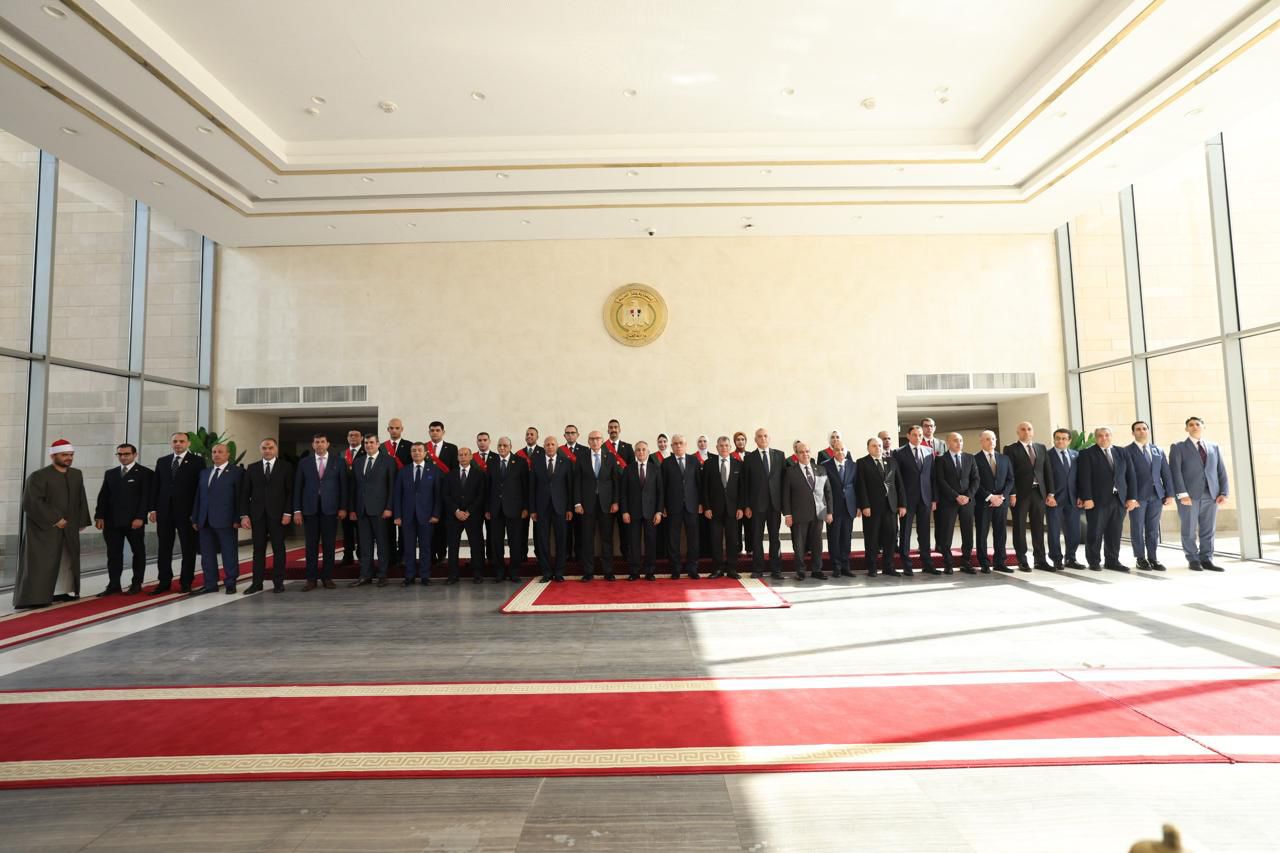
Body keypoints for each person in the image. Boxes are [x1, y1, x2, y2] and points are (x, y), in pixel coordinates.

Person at [14, 439, 91, 608]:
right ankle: (36, 598)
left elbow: (81, 498)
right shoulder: (38, 476)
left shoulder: (76, 474)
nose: (68, 458)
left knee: (67, 560)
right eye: (64, 455)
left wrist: (82, 520)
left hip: (70, 526)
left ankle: (61, 592)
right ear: (53, 456)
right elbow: (32, 502)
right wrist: (55, 519)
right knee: (42, 562)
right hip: (44, 530)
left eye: (71, 455)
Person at [1169, 416, 1229, 572]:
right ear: (1186, 429)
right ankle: (1193, 559)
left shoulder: (1214, 447)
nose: (1194, 426)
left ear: (1203, 427)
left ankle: (1207, 559)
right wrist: (1182, 494)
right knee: (1189, 530)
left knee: (1208, 530)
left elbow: (1221, 471)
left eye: (1197, 424)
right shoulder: (1178, 447)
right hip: (1188, 496)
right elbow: (1175, 472)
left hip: (1212, 495)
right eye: (1191, 425)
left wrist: (1224, 492)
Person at [148, 431, 205, 594]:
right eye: (175, 441)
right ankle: (164, 582)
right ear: (171, 443)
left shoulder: (197, 461)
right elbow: (156, 486)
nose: (178, 444)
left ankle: (186, 582)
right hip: (164, 512)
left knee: (188, 548)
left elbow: (200, 489)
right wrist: (153, 509)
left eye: (181, 441)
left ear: (188, 444)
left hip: (187, 513)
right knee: (164, 548)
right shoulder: (163, 461)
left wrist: (196, 512)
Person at [93, 442, 152, 595]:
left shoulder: (145, 473)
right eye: (120, 454)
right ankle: (114, 585)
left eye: (126, 454)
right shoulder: (111, 473)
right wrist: (99, 516)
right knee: (113, 554)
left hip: (134, 521)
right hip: (111, 521)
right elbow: (103, 496)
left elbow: (146, 497)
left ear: (135, 455)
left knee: (138, 552)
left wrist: (140, 517)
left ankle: (136, 583)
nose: (123, 457)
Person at [1077, 426, 1138, 572]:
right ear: (1095, 438)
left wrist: (1132, 498)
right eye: (1100, 435)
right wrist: (1087, 498)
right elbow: (1084, 478)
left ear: (1111, 436)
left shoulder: (1122, 452)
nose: (1103, 438)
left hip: (1119, 499)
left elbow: (1131, 475)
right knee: (1095, 532)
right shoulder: (1087, 454)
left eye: (1106, 435)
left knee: (1115, 532)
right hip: (1096, 500)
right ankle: (1094, 561)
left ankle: (1112, 561)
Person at [293, 433, 349, 590]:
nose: (319, 444)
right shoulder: (304, 463)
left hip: (330, 509)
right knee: (311, 546)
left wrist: (343, 507)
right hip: (310, 509)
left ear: (328, 444)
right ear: (313, 445)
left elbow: (343, 487)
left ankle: (327, 577)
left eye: (322, 442)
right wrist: (297, 510)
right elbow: (298, 487)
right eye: (316, 442)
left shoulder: (339, 462)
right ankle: (311, 579)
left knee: (329, 545)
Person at [238, 438, 294, 594]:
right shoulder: (252, 468)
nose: (267, 450)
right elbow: (245, 493)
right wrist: (244, 515)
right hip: (257, 515)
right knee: (258, 550)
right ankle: (257, 583)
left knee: (279, 549)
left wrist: (288, 512)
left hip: (279, 515)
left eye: (270, 448)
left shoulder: (286, 467)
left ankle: (278, 582)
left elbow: (290, 492)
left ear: (276, 449)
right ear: (260, 449)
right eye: (264, 448)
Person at [191, 442, 243, 595]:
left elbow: (239, 497)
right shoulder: (204, 473)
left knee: (229, 553)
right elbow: (199, 497)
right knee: (207, 555)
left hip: (227, 520)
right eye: (214, 452)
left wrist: (238, 518)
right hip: (205, 520)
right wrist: (195, 518)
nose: (216, 454)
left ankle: (230, 583)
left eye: (220, 452)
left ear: (228, 454)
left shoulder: (237, 472)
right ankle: (210, 584)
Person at [1004, 421, 1056, 571]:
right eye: (1023, 429)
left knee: (1038, 527)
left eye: (1029, 429)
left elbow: (1047, 471)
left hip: (1039, 493)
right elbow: (1010, 473)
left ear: (1032, 431)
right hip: (1020, 495)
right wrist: (1012, 493)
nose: (1026, 431)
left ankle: (1040, 560)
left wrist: (1051, 493)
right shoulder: (1010, 449)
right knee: (1020, 527)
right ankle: (1022, 560)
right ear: (1018, 432)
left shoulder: (1041, 448)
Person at [348, 433, 397, 587]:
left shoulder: (388, 461)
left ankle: (382, 575)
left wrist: (389, 507)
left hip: (381, 510)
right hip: (361, 510)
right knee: (364, 545)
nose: (368, 445)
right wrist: (352, 509)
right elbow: (353, 487)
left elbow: (392, 487)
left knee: (382, 544)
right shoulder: (358, 462)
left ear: (378, 444)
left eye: (371, 442)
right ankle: (365, 575)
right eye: (366, 443)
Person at [1126, 420, 1175, 572]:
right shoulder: (1126, 451)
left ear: (1148, 431)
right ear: (1133, 433)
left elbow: (1166, 473)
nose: (1141, 431)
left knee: (1153, 529)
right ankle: (1140, 558)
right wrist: (1130, 497)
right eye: (1138, 429)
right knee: (1137, 527)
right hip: (1137, 497)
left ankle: (1153, 558)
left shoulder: (1157, 450)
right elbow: (1124, 477)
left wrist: (1170, 494)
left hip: (1157, 496)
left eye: (1144, 428)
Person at [575, 430, 621, 581]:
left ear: (602, 441)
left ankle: (608, 571)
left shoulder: (610, 457)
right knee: (587, 539)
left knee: (606, 539)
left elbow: (615, 481)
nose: (595, 441)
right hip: (586, 505)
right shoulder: (581, 457)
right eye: (592, 439)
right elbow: (577, 482)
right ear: (588, 441)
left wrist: (615, 501)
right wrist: (577, 503)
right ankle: (588, 571)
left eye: (597, 439)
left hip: (606, 505)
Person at [856, 438, 906, 576]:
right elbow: (861, 485)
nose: (877, 448)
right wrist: (864, 505)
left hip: (890, 506)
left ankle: (888, 567)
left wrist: (902, 504)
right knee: (872, 538)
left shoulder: (891, 461)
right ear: (868, 448)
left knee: (890, 537)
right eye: (874, 446)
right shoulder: (862, 462)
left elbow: (899, 484)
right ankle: (872, 567)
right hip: (872, 508)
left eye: (879, 445)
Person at [393, 442, 441, 585]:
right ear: (411, 453)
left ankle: (425, 576)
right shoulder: (403, 471)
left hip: (427, 516)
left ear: (426, 453)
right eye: (414, 450)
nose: (417, 453)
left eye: (420, 450)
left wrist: (436, 514)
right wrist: (397, 516)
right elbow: (397, 495)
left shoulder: (434, 470)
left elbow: (437, 495)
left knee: (426, 548)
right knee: (409, 548)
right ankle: (409, 576)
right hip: (407, 517)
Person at [783, 443, 833, 580]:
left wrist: (829, 512)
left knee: (817, 543)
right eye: (801, 452)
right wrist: (788, 514)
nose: (805, 454)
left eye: (807, 451)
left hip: (819, 512)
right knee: (799, 544)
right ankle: (800, 571)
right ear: (796, 455)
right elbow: (786, 495)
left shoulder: (821, 469)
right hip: (799, 514)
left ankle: (817, 570)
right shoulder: (790, 471)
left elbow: (828, 491)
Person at [743, 428, 786, 580]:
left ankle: (776, 569)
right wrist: (747, 505)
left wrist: (785, 506)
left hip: (775, 505)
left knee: (775, 538)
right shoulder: (749, 458)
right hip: (756, 506)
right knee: (757, 538)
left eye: (765, 436)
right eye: (760, 436)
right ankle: (758, 569)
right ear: (755, 440)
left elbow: (784, 482)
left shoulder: (779, 455)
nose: (763, 438)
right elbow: (745, 484)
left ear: (769, 438)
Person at [530, 436, 575, 582]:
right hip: (541, 508)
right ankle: (546, 572)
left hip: (560, 508)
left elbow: (569, 487)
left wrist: (569, 508)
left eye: (552, 444)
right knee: (542, 541)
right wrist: (532, 509)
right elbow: (532, 487)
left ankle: (559, 572)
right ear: (544, 446)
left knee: (561, 540)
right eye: (547, 444)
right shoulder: (536, 462)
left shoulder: (565, 462)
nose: (550, 447)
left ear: (557, 446)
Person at [701, 436, 745, 579]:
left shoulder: (738, 464)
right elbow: (704, 488)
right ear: (717, 447)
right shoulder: (709, 464)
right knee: (716, 540)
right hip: (714, 510)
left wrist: (740, 507)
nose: (724, 448)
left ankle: (732, 569)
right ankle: (717, 569)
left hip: (733, 510)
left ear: (730, 447)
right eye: (721, 445)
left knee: (733, 540)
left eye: (726, 445)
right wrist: (707, 507)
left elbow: (742, 488)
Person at [933, 433, 978, 574]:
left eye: (961, 440)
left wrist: (967, 496)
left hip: (967, 501)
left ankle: (966, 562)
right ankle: (948, 563)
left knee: (967, 532)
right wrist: (956, 496)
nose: (959, 443)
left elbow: (976, 479)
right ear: (948, 442)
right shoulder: (940, 459)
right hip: (948, 501)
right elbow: (940, 481)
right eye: (955, 441)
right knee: (946, 533)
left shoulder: (970, 458)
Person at [894, 425, 937, 573]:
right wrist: (901, 502)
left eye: (920, 435)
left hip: (925, 498)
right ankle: (906, 565)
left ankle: (927, 564)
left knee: (924, 531)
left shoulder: (929, 451)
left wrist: (934, 499)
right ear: (908, 436)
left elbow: (932, 477)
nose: (918, 437)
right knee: (905, 532)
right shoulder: (899, 453)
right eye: (914, 435)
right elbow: (897, 480)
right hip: (907, 500)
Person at [486, 437, 528, 582]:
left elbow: (525, 486)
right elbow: (488, 487)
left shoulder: (520, 462)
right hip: (496, 509)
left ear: (510, 447)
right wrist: (487, 508)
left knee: (515, 542)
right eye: (500, 445)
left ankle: (514, 571)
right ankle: (499, 571)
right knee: (496, 542)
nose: (502, 448)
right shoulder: (491, 462)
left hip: (515, 509)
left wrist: (525, 507)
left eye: (505, 445)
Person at [620, 440, 664, 581]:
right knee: (634, 543)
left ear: (648, 452)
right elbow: (623, 493)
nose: (641, 452)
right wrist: (624, 511)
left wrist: (659, 512)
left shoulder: (655, 469)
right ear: (635, 453)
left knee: (651, 542)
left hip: (651, 513)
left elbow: (660, 492)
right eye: (638, 450)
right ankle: (634, 571)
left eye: (643, 449)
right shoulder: (628, 469)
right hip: (633, 513)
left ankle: (650, 571)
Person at [443, 446, 488, 584]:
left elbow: (481, 495)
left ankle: (478, 574)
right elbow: (445, 495)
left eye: (465, 454)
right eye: (460, 455)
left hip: (473, 515)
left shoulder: (479, 474)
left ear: (471, 457)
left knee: (476, 545)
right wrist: (456, 511)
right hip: (454, 516)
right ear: (457, 457)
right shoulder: (450, 475)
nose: (463, 457)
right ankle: (453, 575)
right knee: (453, 546)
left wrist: (469, 511)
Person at [974, 430, 1015, 573]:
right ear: (981, 441)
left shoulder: (1004, 458)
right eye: (987, 439)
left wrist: (1002, 496)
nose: (991, 441)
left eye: (993, 439)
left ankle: (1000, 562)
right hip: (983, 502)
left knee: (1000, 532)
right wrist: (990, 497)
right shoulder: (974, 459)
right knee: (982, 533)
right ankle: (984, 562)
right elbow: (975, 481)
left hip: (1001, 502)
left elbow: (1010, 479)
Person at [662, 434, 702, 579]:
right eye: (675, 444)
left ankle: (693, 568)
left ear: (685, 445)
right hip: (673, 507)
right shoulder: (666, 463)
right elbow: (663, 487)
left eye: (681, 443)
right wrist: (662, 506)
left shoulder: (694, 460)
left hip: (692, 506)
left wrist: (701, 503)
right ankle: (675, 569)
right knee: (673, 539)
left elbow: (699, 483)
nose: (678, 446)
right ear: (671, 446)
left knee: (693, 539)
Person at [1046, 429, 1083, 570]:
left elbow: (1080, 477)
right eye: (1057, 438)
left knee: (1074, 531)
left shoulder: (1076, 455)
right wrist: (1049, 495)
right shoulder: (1047, 455)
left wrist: (1081, 495)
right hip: (1054, 499)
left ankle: (1071, 558)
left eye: (1063, 438)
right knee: (1054, 531)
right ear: (1054, 439)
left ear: (1069, 440)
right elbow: (1043, 477)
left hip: (1073, 499)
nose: (1060, 441)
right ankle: (1056, 559)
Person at [822, 439, 858, 577]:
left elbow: (857, 486)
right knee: (834, 538)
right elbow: (823, 491)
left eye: (842, 449)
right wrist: (827, 511)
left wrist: (858, 506)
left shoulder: (853, 465)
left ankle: (845, 567)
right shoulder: (825, 466)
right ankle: (836, 567)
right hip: (833, 509)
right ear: (833, 451)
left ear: (846, 451)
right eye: (837, 449)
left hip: (849, 507)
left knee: (846, 538)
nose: (840, 452)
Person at [425, 421, 459, 564]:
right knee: (429, 525)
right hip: (428, 493)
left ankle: (441, 553)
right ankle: (430, 554)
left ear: (443, 432)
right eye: (432, 430)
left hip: (445, 492)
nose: (435, 433)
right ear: (429, 432)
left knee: (443, 525)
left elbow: (455, 471)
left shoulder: (452, 448)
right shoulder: (423, 448)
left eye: (437, 430)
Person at [383, 418, 412, 567]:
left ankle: (403, 556)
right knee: (388, 528)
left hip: (405, 492)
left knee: (404, 527)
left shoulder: (410, 446)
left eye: (397, 428)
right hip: (386, 492)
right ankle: (391, 557)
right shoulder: (382, 447)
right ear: (388, 429)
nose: (394, 430)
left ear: (402, 429)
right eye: (391, 428)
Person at [472, 432, 499, 569]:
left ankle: (492, 558)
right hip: (475, 501)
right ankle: (478, 559)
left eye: (484, 440)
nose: (482, 442)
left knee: (492, 531)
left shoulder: (497, 457)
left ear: (489, 441)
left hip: (492, 500)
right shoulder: (471, 458)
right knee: (476, 532)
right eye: (480, 440)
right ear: (476, 442)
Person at [340, 428, 366, 566]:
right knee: (347, 530)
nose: (353, 437)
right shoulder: (342, 454)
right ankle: (348, 555)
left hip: (361, 497)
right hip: (345, 497)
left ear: (361, 438)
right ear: (347, 438)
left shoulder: (366, 452)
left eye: (356, 435)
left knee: (362, 531)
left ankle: (362, 556)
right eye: (350, 435)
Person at [732, 431, 751, 553]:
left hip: (749, 495)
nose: (740, 441)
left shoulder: (751, 456)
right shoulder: (731, 456)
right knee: (737, 526)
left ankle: (750, 549)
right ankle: (738, 549)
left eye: (742, 439)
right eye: (738, 439)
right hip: (736, 496)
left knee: (750, 525)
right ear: (734, 442)